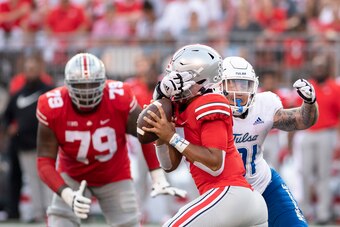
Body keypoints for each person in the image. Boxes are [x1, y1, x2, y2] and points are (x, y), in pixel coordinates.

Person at [36, 53, 186, 226]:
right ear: (67, 85)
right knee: (60, 222)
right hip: (72, 175)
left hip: (114, 175)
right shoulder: (52, 105)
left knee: (128, 223)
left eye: (92, 84)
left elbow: (145, 134)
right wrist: (67, 193)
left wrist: (156, 174)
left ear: (104, 82)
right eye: (80, 86)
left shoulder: (119, 96)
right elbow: (44, 161)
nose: (87, 91)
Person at [145, 44, 268, 226]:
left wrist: (172, 137)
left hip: (230, 195)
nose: (171, 80)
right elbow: (169, 165)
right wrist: (162, 136)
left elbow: (215, 164)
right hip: (232, 201)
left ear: (199, 79)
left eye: (177, 75)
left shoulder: (211, 101)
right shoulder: (181, 108)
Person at [220, 56, 318, 226]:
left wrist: (309, 102)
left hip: (263, 183)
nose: (238, 91)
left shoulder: (264, 104)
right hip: (224, 192)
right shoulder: (208, 111)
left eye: (244, 85)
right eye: (232, 83)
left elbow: (302, 121)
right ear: (219, 85)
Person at [3, 54, 54, 223]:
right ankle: (39, 213)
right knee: (32, 179)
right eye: (28, 69)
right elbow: (6, 117)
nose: (31, 72)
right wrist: (9, 128)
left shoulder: (49, 91)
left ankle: (51, 211)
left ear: (40, 70)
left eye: (33, 68)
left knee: (48, 178)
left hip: (46, 144)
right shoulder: (18, 94)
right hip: (24, 145)